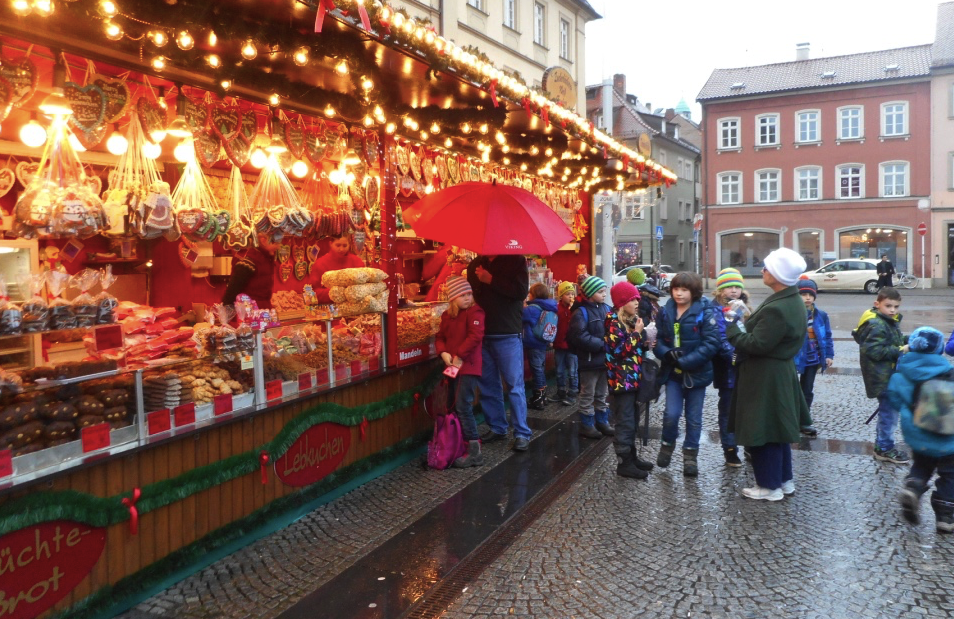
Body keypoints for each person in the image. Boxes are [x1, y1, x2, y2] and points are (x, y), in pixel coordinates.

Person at [725, 249, 811, 500]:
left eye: (766, 267)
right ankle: (783, 481)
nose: (762, 270)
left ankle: (768, 486)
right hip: (777, 371)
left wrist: (732, 324)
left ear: (778, 274)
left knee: (763, 430)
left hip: (765, 374)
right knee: (778, 429)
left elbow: (755, 344)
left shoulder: (779, 307)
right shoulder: (789, 299)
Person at [888, 327, 954, 533]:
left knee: (922, 465)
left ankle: (913, 487)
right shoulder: (948, 372)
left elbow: (895, 399)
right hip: (948, 439)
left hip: (918, 435)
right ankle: (945, 516)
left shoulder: (901, 375)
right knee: (950, 475)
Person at [653, 272, 719, 477]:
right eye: (675, 289)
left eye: (684, 290)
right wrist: (666, 354)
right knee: (671, 414)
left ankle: (690, 456)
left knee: (694, 418)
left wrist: (685, 361)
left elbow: (711, 343)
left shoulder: (705, 311)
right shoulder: (666, 311)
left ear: (694, 292)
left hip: (696, 375)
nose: (679, 294)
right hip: (673, 374)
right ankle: (666, 445)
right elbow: (658, 341)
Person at [467, 254, 532, 452]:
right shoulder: (476, 264)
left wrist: (491, 280)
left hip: (507, 332)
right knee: (488, 384)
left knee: (514, 385)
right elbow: (472, 295)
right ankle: (497, 427)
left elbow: (521, 292)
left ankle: (521, 433)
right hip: (482, 332)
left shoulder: (516, 260)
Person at [434, 276, 486, 468]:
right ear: (453, 298)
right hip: (452, 365)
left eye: (469, 294)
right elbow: (439, 337)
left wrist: (459, 355)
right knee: (452, 405)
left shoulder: (476, 312)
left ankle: (474, 451)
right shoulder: (447, 316)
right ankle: (457, 445)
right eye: (462, 294)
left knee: (463, 406)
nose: (467, 297)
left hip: (469, 366)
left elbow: (475, 336)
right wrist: (444, 352)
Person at [854, 287, 910, 464]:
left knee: (888, 412)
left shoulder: (887, 320)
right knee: (889, 414)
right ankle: (884, 448)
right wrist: (901, 349)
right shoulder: (877, 324)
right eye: (888, 306)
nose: (893, 310)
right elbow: (874, 351)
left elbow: (890, 341)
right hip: (882, 377)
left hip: (887, 375)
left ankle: (883, 446)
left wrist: (907, 340)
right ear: (877, 304)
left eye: (896, 306)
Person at [605, 281, 652, 479]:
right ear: (622, 302)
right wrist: (636, 335)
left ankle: (632, 457)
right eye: (632, 299)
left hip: (631, 379)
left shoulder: (631, 320)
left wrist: (645, 342)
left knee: (632, 419)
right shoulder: (613, 322)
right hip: (620, 381)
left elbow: (634, 349)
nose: (636, 302)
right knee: (624, 421)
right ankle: (624, 463)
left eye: (637, 299)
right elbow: (619, 351)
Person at [711, 267, 751, 467]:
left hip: (747, 368)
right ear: (720, 290)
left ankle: (750, 445)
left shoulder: (743, 307)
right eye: (729, 287)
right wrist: (736, 356)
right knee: (728, 411)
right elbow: (720, 338)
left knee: (747, 410)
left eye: (737, 286)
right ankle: (730, 448)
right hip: (729, 369)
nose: (734, 290)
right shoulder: (716, 310)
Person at [567, 276, 613, 439]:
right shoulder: (581, 313)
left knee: (602, 392)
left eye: (604, 291)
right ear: (590, 293)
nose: (604, 294)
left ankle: (602, 420)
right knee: (587, 393)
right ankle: (587, 424)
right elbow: (578, 336)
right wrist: (602, 344)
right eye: (600, 292)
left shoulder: (607, 309)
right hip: (588, 360)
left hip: (604, 361)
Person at [793, 277, 833, 438]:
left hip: (813, 358)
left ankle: (804, 420)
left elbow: (827, 336)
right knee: (792, 390)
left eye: (811, 295)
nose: (808, 298)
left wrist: (829, 355)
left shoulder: (821, 315)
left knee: (807, 390)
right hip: (795, 358)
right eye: (804, 295)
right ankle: (791, 419)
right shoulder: (794, 313)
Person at [523, 283, 558, 411]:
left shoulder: (532, 309)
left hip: (533, 343)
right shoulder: (549, 306)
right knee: (540, 368)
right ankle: (543, 396)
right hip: (543, 342)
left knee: (536, 369)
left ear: (534, 295)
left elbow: (518, 315)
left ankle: (538, 397)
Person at [223, 231, 280, 308]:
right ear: (263, 240)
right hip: (248, 314)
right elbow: (231, 293)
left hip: (262, 313)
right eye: (275, 243)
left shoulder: (265, 258)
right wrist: (227, 314)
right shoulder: (249, 260)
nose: (278, 247)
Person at [310, 234, 365, 304]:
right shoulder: (320, 264)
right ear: (331, 244)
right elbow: (312, 293)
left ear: (349, 245)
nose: (341, 249)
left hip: (355, 309)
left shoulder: (357, 262)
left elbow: (364, 287)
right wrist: (335, 293)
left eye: (345, 246)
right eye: (338, 245)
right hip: (329, 310)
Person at [553, 281, 579, 406]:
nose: (570, 297)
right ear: (561, 296)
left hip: (572, 345)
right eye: (567, 294)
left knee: (573, 370)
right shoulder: (556, 309)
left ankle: (573, 392)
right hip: (559, 344)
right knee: (559, 370)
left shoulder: (575, 309)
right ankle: (561, 391)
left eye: (572, 294)